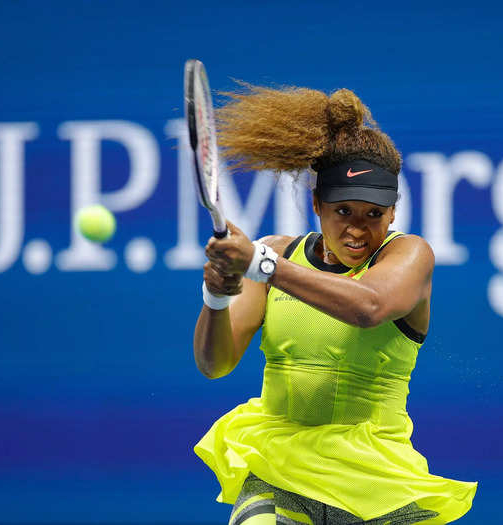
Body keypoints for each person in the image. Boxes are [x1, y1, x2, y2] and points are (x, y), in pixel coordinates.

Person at [193, 85, 477, 524]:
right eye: (343, 211)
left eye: (373, 214)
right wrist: (216, 297)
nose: (358, 230)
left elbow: (369, 307)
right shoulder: (277, 254)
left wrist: (259, 265)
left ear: (393, 213)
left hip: (379, 484)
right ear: (316, 206)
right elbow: (215, 363)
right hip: (279, 473)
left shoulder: (410, 255)